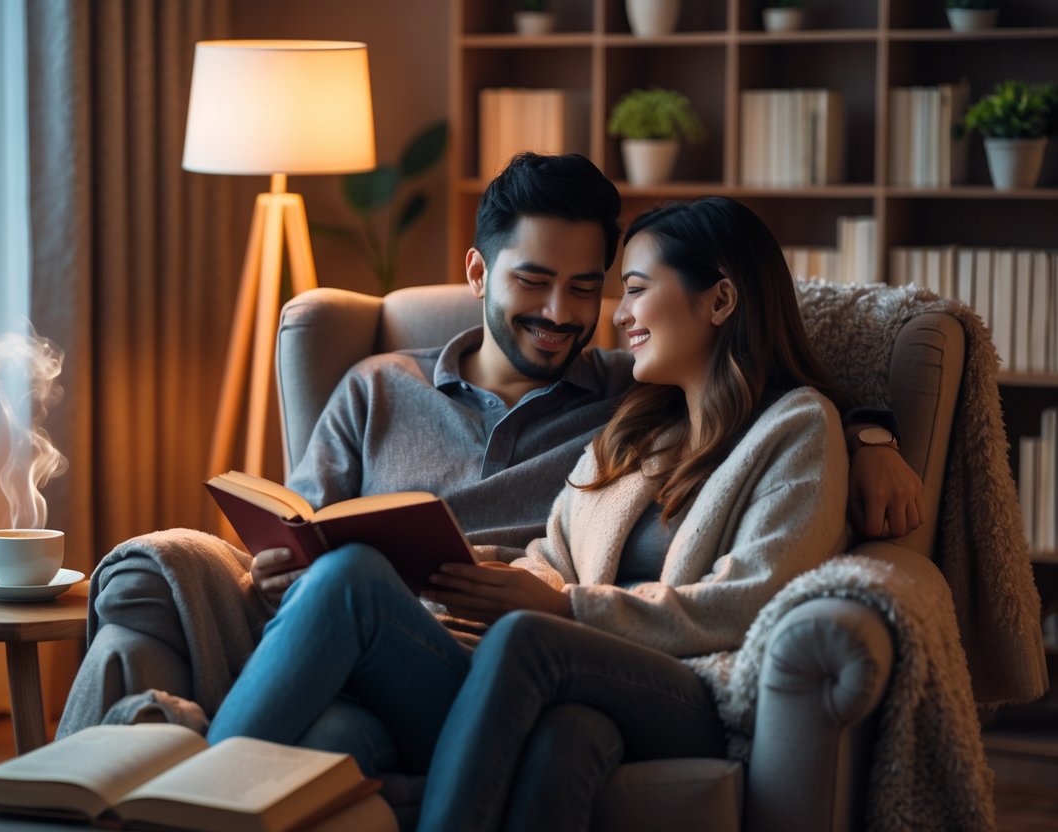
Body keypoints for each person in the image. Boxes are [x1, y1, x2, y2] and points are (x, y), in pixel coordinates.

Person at [58, 154, 920, 749]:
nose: (561, 313)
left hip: (481, 657)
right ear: (477, 272)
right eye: (532, 281)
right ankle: (74, 790)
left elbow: (759, 365)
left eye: (586, 288)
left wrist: (869, 430)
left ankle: (187, 765)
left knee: (347, 597)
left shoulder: (629, 398)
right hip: (330, 642)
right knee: (223, 623)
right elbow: (292, 538)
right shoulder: (374, 386)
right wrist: (280, 566)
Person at [409, 196, 850, 831]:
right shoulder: (636, 434)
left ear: (721, 300)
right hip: (594, 681)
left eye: (637, 290)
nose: (618, 315)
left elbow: (751, 599)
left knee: (527, 636)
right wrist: (487, 579)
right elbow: (553, 556)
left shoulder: (797, 426)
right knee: (569, 737)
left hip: (694, 688)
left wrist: (565, 609)